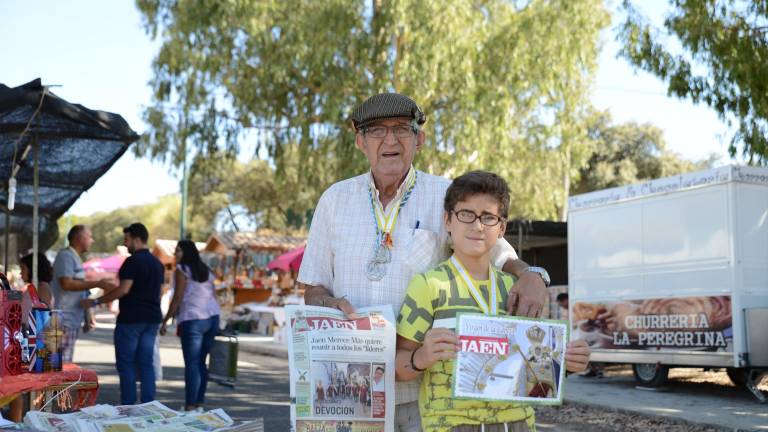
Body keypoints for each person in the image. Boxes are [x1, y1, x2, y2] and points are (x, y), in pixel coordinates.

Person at [298, 93, 551, 430]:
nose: (390, 139)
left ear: (419, 139)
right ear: (361, 142)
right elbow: (313, 288)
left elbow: (499, 252)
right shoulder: (334, 200)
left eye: (401, 129)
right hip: (353, 389)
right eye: (376, 131)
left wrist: (531, 274)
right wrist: (329, 303)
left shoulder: (446, 195)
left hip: (425, 393)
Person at [395, 171, 590, 432]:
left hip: (518, 423)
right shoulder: (430, 285)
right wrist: (421, 357)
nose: (477, 226)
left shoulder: (517, 290)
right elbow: (398, 366)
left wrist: (566, 364)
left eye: (488, 217)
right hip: (453, 425)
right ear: (448, 220)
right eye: (466, 214)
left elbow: (535, 366)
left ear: (502, 228)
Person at [81, 223, 164, 404]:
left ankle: (128, 406)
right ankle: (149, 405)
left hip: (131, 319)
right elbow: (159, 292)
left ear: (136, 239)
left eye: (127, 239)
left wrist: (96, 301)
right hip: (152, 319)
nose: (125, 244)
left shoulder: (132, 262)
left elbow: (124, 290)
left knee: (126, 365)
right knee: (146, 364)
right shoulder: (157, 264)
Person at [159, 240, 221, 412]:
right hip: (212, 318)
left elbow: (177, 298)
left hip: (193, 319)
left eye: (178, 251)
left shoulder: (182, 270)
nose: (175, 254)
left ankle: (190, 406)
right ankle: (199, 403)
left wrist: (165, 321)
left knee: (192, 364)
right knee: (201, 363)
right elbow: (214, 296)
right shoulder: (207, 271)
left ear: (186, 252)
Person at [50, 225, 114, 362]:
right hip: (62, 319)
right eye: (89, 236)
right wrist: (97, 283)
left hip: (70, 319)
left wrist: (87, 314)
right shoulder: (66, 256)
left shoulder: (75, 257)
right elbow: (66, 283)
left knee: (63, 363)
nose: (92, 240)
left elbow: (81, 290)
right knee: (59, 365)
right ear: (79, 238)